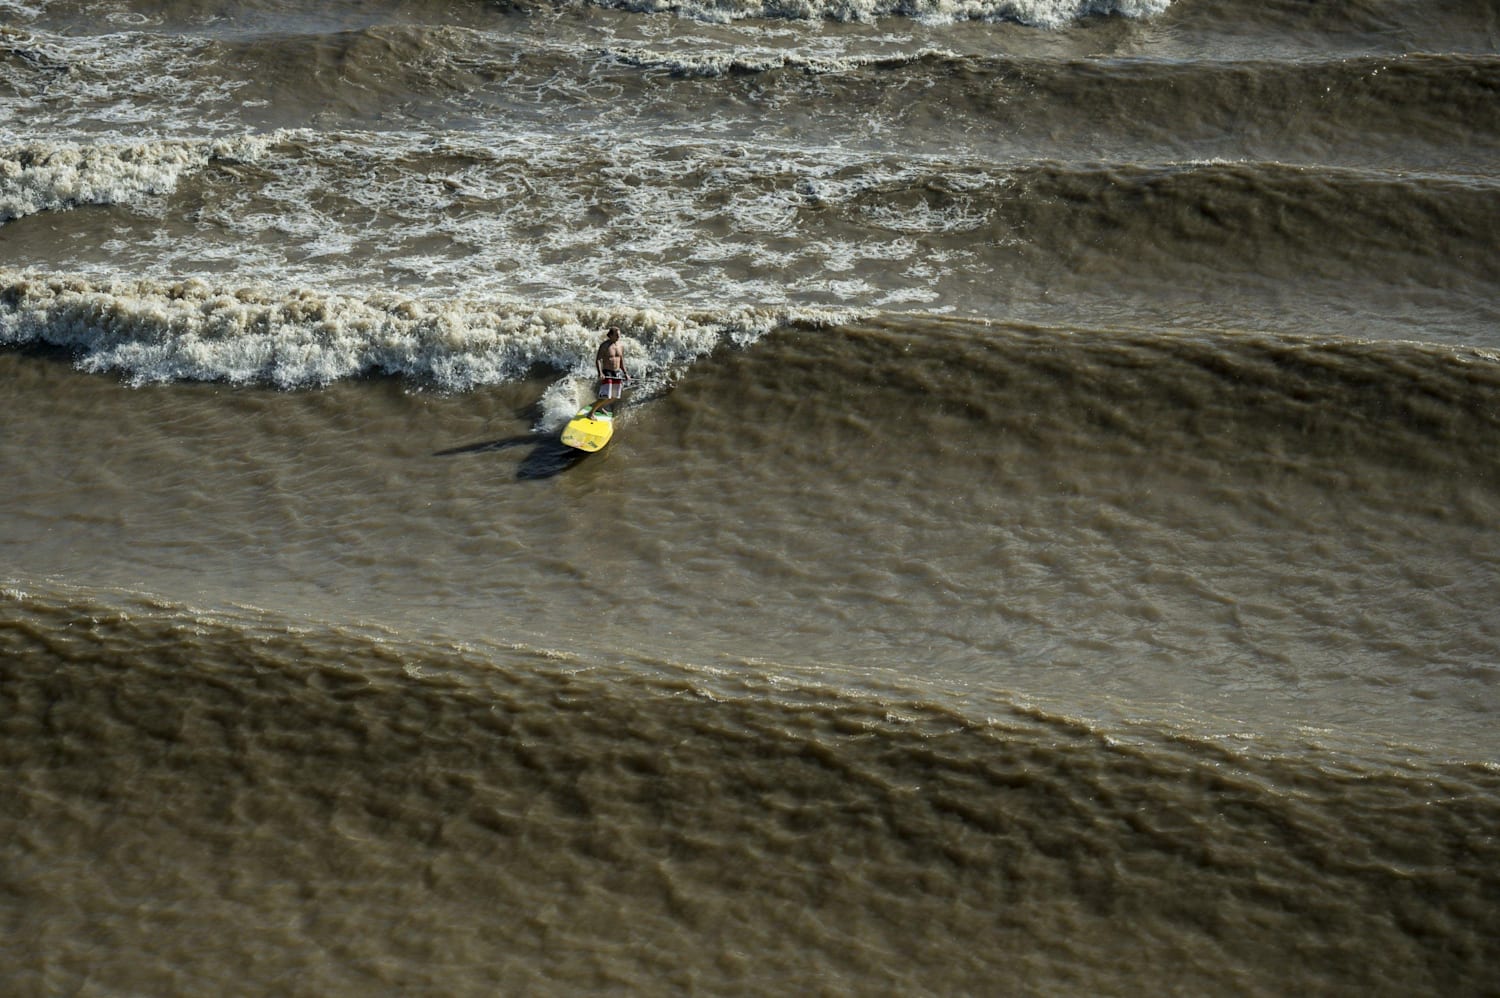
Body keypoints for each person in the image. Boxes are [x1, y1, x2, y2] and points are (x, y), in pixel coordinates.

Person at [584, 326, 630, 418]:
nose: (618, 337)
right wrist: (600, 373)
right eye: (616, 335)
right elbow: (598, 360)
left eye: (619, 335)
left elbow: (621, 361)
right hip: (607, 372)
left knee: (614, 396)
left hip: (617, 373)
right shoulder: (604, 346)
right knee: (605, 396)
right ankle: (591, 413)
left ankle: (600, 407)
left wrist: (625, 373)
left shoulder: (620, 345)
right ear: (611, 335)